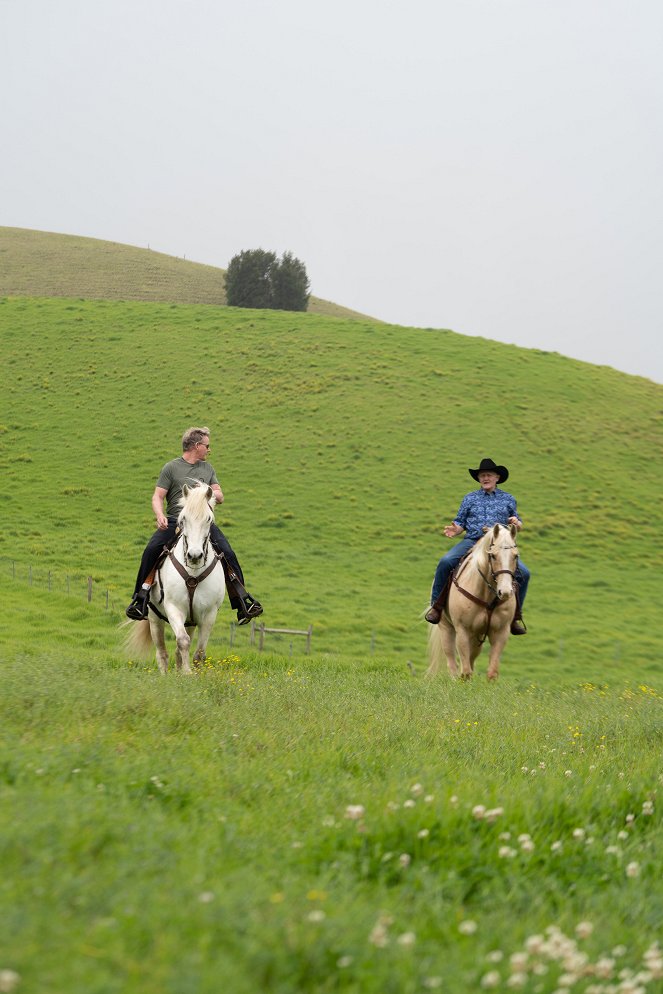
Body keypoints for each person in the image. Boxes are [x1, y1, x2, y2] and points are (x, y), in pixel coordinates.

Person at [126, 426, 263, 625]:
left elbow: (220, 496)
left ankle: (242, 601)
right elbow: (157, 496)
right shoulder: (171, 468)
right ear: (196, 446)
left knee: (228, 552)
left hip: (203, 523)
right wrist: (159, 515)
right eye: (207, 446)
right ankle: (140, 599)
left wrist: (203, 491)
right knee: (150, 550)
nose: (209, 450)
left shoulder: (207, 469)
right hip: (176, 521)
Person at [424, 458, 529, 635]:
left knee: (524, 573)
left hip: (498, 544)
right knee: (446, 561)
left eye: (488, 475)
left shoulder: (508, 499)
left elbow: (517, 522)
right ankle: (437, 606)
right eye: (482, 476)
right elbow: (460, 522)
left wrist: (516, 522)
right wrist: (455, 529)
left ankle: (515, 616)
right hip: (472, 541)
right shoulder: (470, 498)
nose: (485, 478)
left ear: (497, 477)